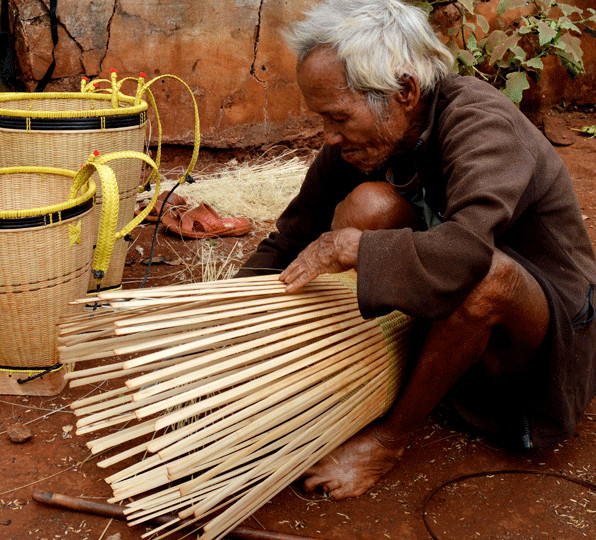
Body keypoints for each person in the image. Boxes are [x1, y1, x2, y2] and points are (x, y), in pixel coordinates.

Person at [237, 0, 596, 500]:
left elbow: (468, 254)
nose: (328, 135)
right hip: (448, 303)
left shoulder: (481, 125)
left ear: (404, 91)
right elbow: (294, 236)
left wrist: (354, 247)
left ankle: (390, 439)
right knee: (370, 204)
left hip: (544, 330)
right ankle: (405, 364)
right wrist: (226, 319)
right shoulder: (365, 134)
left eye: (338, 117)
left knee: (488, 276)